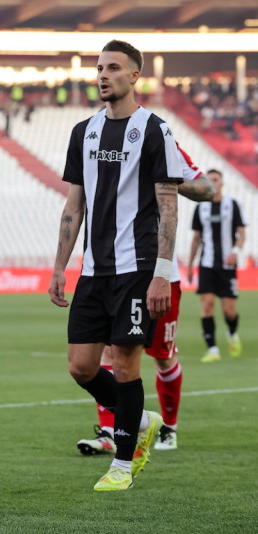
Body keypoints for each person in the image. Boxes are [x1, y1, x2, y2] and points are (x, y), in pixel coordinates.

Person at [49, 39, 182, 492]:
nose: (103, 75)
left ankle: (123, 465)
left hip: (136, 270)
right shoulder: (83, 132)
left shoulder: (155, 130)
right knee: (81, 367)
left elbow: (168, 207)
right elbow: (74, 206)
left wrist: (161, 272)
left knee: (125, 364)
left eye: (113, 68)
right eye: (100, 68)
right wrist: (59, 266)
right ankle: (140, 418)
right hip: (93, 271)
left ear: (134, 76)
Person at [77, 145, 214, 455]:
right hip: (116, 271)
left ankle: (168, 428)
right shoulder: (102, 141)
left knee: (162, 355)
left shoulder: (163, 143)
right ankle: (111, 431)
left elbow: (207, 188)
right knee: (108, 351)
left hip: (161, 274)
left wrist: (168, 180)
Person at [187, 169, 246, 362]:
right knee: (207, 306)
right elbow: (196, 238)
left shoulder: (232, 205)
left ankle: (232, 332)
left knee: (229, 311)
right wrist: (190, 265)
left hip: (227, 266)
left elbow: (241, 233)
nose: (212, 182)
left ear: (222, 183)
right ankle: (212, 349)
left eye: (216, 179)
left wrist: (235, 252)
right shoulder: (201, 208)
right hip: (206, 264)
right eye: (209, 179)